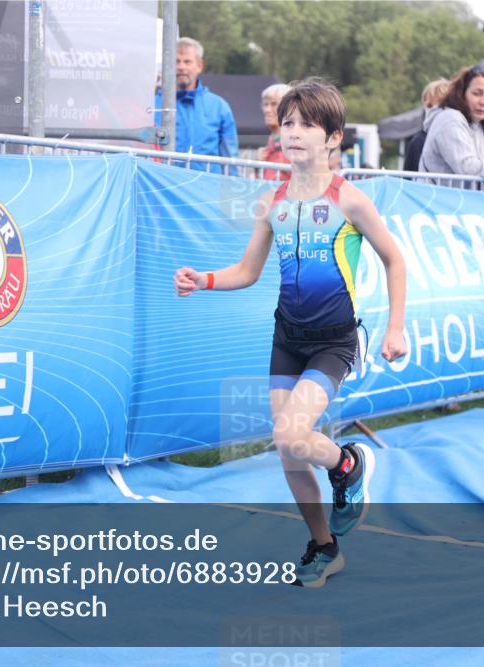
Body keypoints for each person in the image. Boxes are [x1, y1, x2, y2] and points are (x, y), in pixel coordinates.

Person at [173, 79, 408, 588]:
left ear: (334, 138)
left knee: (290, 434)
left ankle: (347, 464)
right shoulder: (271, 203)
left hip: (333, 342)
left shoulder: (350, 199)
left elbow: (394, 258)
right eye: (288, 123)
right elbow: (247, 271)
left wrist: (395, 327)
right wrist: (203, 280)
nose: (294, 132)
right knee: (289, 450)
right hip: (288, 339)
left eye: (307, 124)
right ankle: (324, 547)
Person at [154, 37, 239, 173]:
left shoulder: (219, 107)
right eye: (176, 61)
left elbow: (230, 158)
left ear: (199, 66)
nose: (181, 67)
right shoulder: (153, 105)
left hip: (206, 184)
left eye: (187, 62)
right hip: (162, 184)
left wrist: (233, 184)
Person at [401, 78, 449, 173]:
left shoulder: (463, 136)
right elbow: (409, 177)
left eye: (442, 105)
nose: (433, 110)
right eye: (429, 106)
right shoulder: (419, 141)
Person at [259, 83, 292, 181]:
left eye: (274, 104)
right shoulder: (273, 138)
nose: (267, 110)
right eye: (265, 104)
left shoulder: (294, 140)